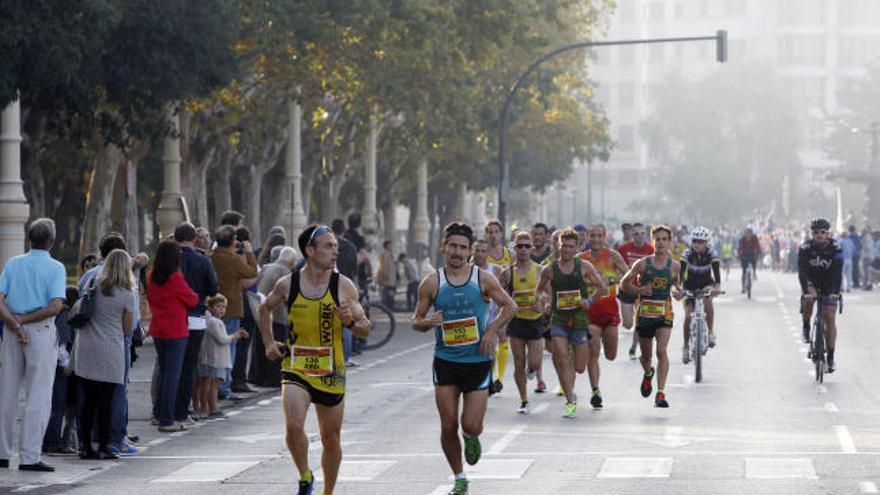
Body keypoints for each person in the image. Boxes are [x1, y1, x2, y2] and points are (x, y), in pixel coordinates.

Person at [257, 225, 370, 495]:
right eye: (328, 246)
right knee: (294, 425)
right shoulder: (289, 283)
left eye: (336, 247)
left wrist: (350, 322)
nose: (335, 252)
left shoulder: (343, 285)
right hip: (296, 366)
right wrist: (269, 342)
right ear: (310, 250)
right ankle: (305, 476)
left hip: (331, 370)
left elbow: (365, 326)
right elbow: (264, 308)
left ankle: (328, 492)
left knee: (331, 438)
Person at [412, 221, 516, 495]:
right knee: (448, 424)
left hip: (478, 361)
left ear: (470, 251)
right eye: (453, 246)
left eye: (462, 247)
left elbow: (510, 306)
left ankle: (471, 437)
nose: (457, 252)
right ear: (444, 247)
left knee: (470, 424)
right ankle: (459, 477)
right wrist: (427, 322)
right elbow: (416, 320)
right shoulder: (432, 282)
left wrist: (491, 331)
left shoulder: (483, 279)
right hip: (445, 361)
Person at [0, 218, 66, 472]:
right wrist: (25, 321)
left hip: (11, 329)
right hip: (40, 330)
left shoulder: (13, 263)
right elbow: (55, 306)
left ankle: (3, 452)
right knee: (38, 394)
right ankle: (29, 455)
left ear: (30, 239)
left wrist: (16, 325)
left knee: (7, 391)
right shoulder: (56, 267)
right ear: (51, 241)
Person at [73, 249, 136, 459]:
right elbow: (128, 328)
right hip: (110, 349)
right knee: (106, 401)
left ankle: (85, 446)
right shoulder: (128, 293)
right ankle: (104, 446)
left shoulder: (93, 284)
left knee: (88, 401)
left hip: (86, 347)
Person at [536, 227, 606, 418]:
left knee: (580, 367)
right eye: (563, 246)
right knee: (562, 357)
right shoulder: (549, 270)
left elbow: (601, 288)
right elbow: (538, 290)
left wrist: (589, 301)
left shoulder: (584, 267)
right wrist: (545, 300)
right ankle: (569, 401)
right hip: (558, 319)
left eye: (570, 246)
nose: (566, 249)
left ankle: (571, 388)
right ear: (558, 247)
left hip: (579, 320)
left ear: (576, 248)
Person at [621, 225, 682, 408]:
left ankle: (660, 393)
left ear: (669, 242)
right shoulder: (642, 264)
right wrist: (639, 289)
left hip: (665, 313)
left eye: (665, 239)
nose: (661, 243)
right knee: (645, 358)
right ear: (652, 241)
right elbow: (624, 284)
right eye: (658, 239)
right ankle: (648, 373)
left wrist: (679, 292)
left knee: (661, 351)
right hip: (645, 315)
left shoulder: (675, 266)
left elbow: (677, 286)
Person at [147, 240, 199, 432]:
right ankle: (168, 419)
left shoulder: (152, 276)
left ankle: (159, 413)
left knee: (163, 372)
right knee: (172, 375)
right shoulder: (175, 278)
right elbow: (192, 299)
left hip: (159, 329)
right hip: (176, 330)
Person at [174, 222, 219, 426]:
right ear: (194, 239)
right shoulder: (202, 260)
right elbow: (212, 288)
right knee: (188, 367)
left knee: (168, 367)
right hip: (195, 317)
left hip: (172, 316)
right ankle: (182, 411)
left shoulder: (169, 259)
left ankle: (163, 408)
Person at [579, 224, 629, 409]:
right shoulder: (581, 259)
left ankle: (595, 387)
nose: (596, 239)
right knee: (593, 351)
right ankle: (595, 391)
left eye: (599, 235)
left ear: (605, 236)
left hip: (609, 313)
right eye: (592, 236)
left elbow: (629, 275)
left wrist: (614, 279)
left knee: (610, 355)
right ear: (587, 237)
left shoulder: (613, 256)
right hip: (590, 314)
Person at [498, 231, 545, 414]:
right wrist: (508, 306)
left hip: (534, 321)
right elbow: (499, 296)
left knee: (534, 363)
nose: (523, 249)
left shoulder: (540, 270)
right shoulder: (507, 273)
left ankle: (531, 371)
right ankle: (524, 400)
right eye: (520, 246)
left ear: (532, 249)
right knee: (519, 362)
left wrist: (541, 305)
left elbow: (548, 294)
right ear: (514, 248)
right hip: (516, 321)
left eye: (527, 246)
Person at [210, 224, 258, 398]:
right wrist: (250, 252)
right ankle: (224, 387)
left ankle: (215, 386)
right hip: (232, 307)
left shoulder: (212, 257)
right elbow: (252, 271)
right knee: (229, 349)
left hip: (214, 306)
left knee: (214, 349)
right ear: (232, 242)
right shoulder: (233, 259)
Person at [798, 217, 843, 373]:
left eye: (822, 232)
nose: (819, 235)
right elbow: (802, 272)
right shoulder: (805, 248)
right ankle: (805, 327)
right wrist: (806, 290)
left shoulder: (835, 248)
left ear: (827, 233)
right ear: (811, 233)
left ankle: (830, 357)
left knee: (830, 316)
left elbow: (838, 273)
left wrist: (835, 293)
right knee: (809, 300)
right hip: (812, 282)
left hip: (830, 284)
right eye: (815, 232)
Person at [251, 246, 298, 386]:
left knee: (261, 344)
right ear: (292, 261)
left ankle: (258, 377)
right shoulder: (285, 272)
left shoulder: (266, 267)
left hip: (259, 310)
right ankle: (273, 379)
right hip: (276, 314)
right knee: (277, 345)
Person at [196, 295, 248, 418]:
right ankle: (213, 409)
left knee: (208, 383)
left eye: (224, 307)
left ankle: (205, 408)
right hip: (217, 358)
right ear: (210, 307)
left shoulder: (209, 321)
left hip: (211, 357)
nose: (221, 310)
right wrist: (235, 336)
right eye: (218, 307)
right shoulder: (215, 322)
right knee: (214, 385)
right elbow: (222, 340)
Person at [42, 286, 79, 455]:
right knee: (58, 406)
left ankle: (48, 440)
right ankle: (52, 441)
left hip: (52, 364)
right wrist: (66, 364)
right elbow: (62, 343)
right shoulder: (65, 316)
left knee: (54, 405)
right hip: (60, 366)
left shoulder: (57, 314)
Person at [679, 227, 722, 364]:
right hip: (689, 286)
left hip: (705, 284)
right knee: (688, 315)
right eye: (695, 241)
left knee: (708, 300)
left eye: (701, 241)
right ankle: (685, 346)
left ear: (706, 243)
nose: (697, 244)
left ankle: (710, 332)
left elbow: (716, 271)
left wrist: (717, 287)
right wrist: (679, 288)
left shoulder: (712, 253)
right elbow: (681, 272)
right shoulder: (687, 253)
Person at [616, 223, 654, 360]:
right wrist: (618, 276)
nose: (639, 236)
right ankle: (634, 336)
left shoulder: (650, 250)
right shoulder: (623, 249)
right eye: (636, 234)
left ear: (646, 235)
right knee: (627, 324)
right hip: (626, 289)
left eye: (642, 233)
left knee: (640, 321)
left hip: (642, 290)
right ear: (632, 235)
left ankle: (633, 347)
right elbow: (615, 265)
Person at [484, 219, 511, 394]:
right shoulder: (481, 254)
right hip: (487, 302)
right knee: (490, 341)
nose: (493, 235)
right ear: (486, 234)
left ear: (501, 234)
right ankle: (489, 377)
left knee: (503, 338)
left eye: (496, 232)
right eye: (490, 232)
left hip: (503, 301)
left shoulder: (509, 253)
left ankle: (499, 378)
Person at [737, 228, 761, 292]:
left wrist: (758, 252)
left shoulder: (754, 238)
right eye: (746, 234)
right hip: (744, 255)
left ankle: (754, 273)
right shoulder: (742, 239)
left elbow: (757, 246)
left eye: (749, 234)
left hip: (752, 253)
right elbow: (739, 248)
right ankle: (743, 288)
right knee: (744, 272)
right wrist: (739, 254)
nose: (747, 235)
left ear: (751, 234)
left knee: (754, 261)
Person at [376, 240, 397, 309]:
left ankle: (389, 306)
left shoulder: (390, 253)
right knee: (386, 292)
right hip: (387, 277)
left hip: (391, 277)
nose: (391, 246)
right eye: (390, 245)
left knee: (390, 292)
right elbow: (383, 266)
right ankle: (385, 307)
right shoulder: (384, 254)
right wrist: (385, 275)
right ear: (387, 245)